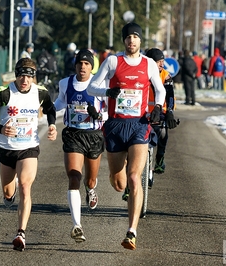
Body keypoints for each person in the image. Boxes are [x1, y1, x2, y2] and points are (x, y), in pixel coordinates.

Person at [86, 22, 166, 250]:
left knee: (134, 177)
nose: (131, 41)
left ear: (141, 41)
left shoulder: (149, 64)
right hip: (115, 126)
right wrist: (107, 92)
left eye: (135, 37)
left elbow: (159, 89)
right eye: (128, 37)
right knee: (119, 183)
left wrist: (158, 107)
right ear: (124, 41)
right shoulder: (113, 61)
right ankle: (119, 183)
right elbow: (92, 87)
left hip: (139, 125)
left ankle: (131, 231)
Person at [0, 58, 57, 251]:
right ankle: (9, 192)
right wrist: (0, 129)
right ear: (16, 75)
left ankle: (21, 233)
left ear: (34, 77)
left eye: (29, 76)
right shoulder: (4, 93)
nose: (25, 80)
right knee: (8, 193)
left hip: (28, 147)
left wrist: (53, 125)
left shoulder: (41, 93)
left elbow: (50, 109)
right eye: (22, 75)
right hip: (6, 149)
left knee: (25, 186)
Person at [54, 49, 107, 243]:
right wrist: (50, 107)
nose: (82, 67)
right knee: (74, 176)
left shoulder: (100, 83)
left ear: (92, 66)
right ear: (75, 65)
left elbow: (111, 109)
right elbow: (61, 101)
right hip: (73, 134)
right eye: (79, 63)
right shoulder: (65, 83)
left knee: (90, 180)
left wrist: (99, 116)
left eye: (86, 64)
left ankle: (91, 189)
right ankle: (77, 225)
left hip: (93, 135)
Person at [145, 48, 178, 180]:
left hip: (162, 111)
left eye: (162, 61)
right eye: (158, 62)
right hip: (143, 111)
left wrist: (169, 112)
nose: (162, 64)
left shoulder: (166, 75)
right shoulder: (142, 74)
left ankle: (159, 158)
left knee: (163, 132)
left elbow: (170, 96)